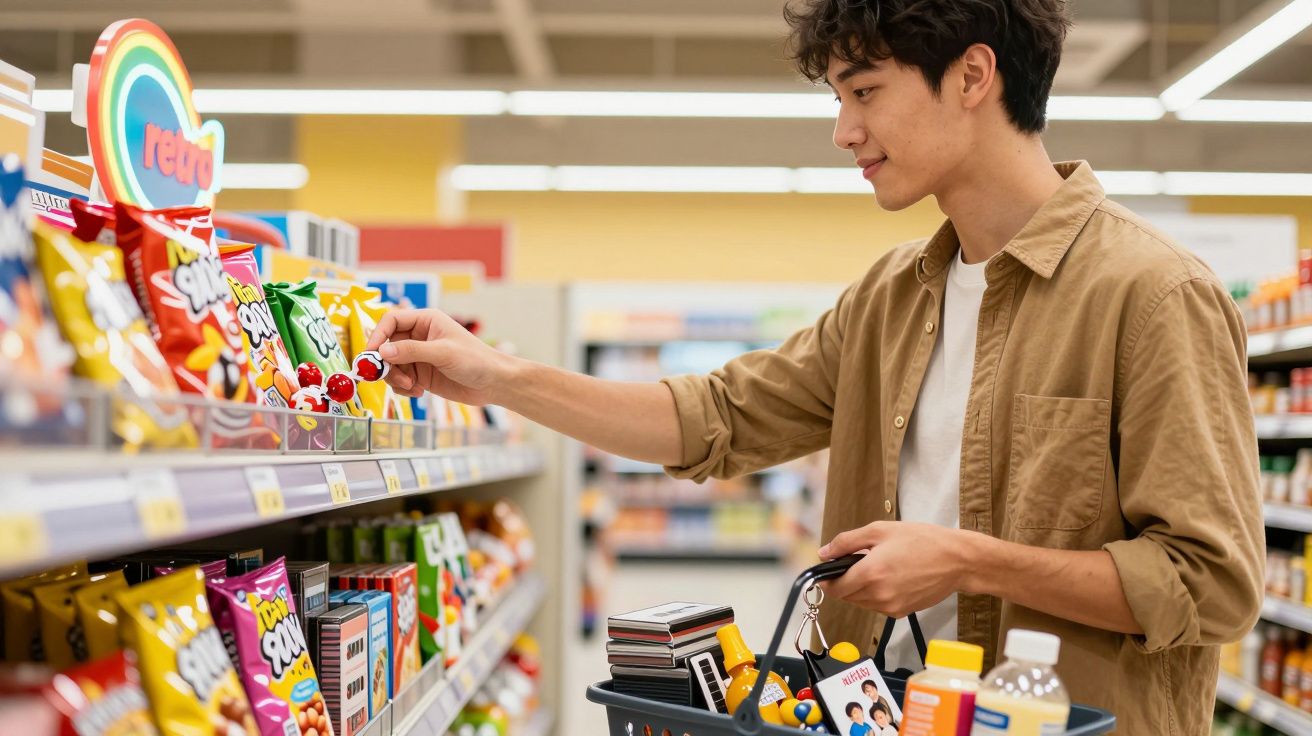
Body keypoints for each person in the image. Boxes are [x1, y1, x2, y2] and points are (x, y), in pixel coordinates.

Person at [364, 0, 1264, 731]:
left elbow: (1212, 586)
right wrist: (497, 377)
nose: (843, 130)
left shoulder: (1152, 295)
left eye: (864, 91)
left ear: (973, 77)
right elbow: (710, 418)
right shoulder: (891, 297)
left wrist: (968, 562)